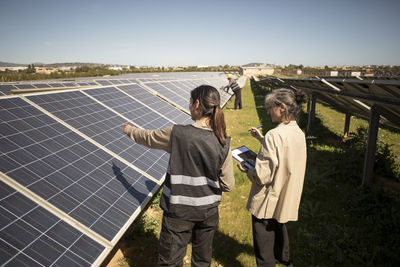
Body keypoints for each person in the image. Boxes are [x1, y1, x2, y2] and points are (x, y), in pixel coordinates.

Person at [123, 85, 235, 267]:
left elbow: (149, 138)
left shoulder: (178, 134)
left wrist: (129, 130)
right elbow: (228, 185)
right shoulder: (223, 141)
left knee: (170, 262)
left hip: (178, 214)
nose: (189, 105)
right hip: (208, 213)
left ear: (197, 104)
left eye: (190, 102)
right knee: (202, 261)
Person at [237, 88, 308, 267]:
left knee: (265, 249)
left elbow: (263, 176)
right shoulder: (298, 132)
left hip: (267, 202)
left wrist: (248, 169)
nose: (268, 112)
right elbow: (284, 154)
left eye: (270, 108)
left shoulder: (274, 135)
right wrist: (262, 140)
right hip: (285, 196)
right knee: (280, 236)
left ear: (282, 108)